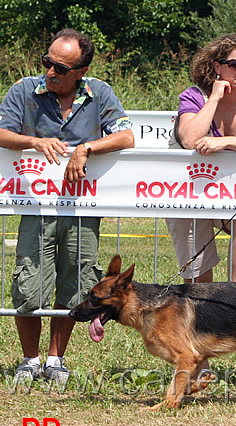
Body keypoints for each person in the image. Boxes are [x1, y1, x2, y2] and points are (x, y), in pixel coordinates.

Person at [0, 29, 134, 384]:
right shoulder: (23, 90)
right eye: (47, 62)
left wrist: (85, 148)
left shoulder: (100, 93)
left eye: (60, 67)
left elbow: (125, 135)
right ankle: (29, 360)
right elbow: (1, 132)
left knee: (74, 283)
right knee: (29, 285)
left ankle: (56, 360)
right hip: (34, 206)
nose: (50, 71)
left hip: (82, 208)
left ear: (81, 71)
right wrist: (33, 140)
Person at [166, 33, 236, 284]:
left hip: (234, 192)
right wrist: (214, 97)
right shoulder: (194, 96)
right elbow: (189, 139)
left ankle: (235, 297)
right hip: (190, 193)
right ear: (217, 66)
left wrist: (226, 142)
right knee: (198, 285)